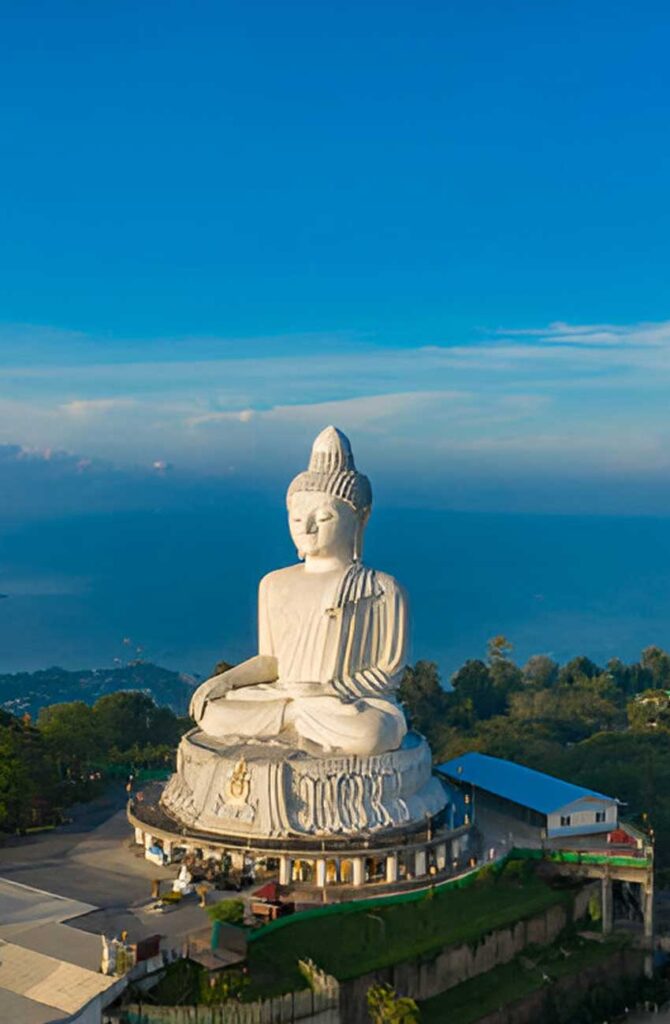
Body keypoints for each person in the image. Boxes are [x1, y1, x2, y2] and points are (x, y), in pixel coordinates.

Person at [189, 426, 408, 757]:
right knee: (212, 711)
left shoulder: (380, 588)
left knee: (372, 733)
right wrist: (225, 682)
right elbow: (270, 661)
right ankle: (291, 717)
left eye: (323, 517)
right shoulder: (274, 583)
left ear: (360, 520)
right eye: (296, 519)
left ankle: (296, 715)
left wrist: (325, 691)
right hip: (285, 698)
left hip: (342, 704)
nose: (307, 528)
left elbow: (387, 673)